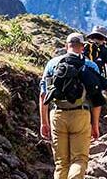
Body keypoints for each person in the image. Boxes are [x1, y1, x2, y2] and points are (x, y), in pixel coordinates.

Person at [39, 33, 103, 179]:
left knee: (61, 163)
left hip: (57, 114)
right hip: (81, 115)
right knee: (79, 159)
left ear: (66, 45)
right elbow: (96, 99)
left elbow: (43, 95)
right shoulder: (90, 65)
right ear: (82, 47)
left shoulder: (52, 64)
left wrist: (44, 122)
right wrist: (95, 124)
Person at [84, 25, 107, 97]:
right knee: (98, 102)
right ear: (104, 39)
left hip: (79, 77)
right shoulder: (105, 50)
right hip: (95, 81)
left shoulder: (82, 46)